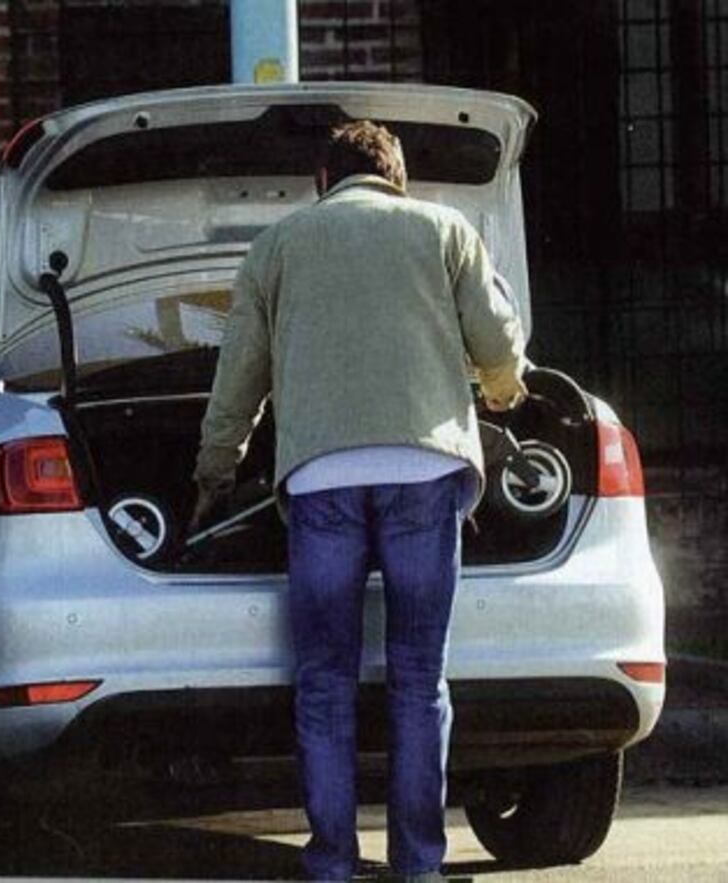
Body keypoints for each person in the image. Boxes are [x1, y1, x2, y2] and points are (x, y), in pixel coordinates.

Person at [192, 120, 527, 881]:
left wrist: (215, 475)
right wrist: (503, 393)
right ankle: (418, 865)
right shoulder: (445, 229)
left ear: (323, 179)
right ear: (397, 177)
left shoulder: (276, 247)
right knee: (418, 676)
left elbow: (238, 377)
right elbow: (499, 342)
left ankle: (332, 862)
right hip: (424, 470)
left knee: (324, 679)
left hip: (319, 479)